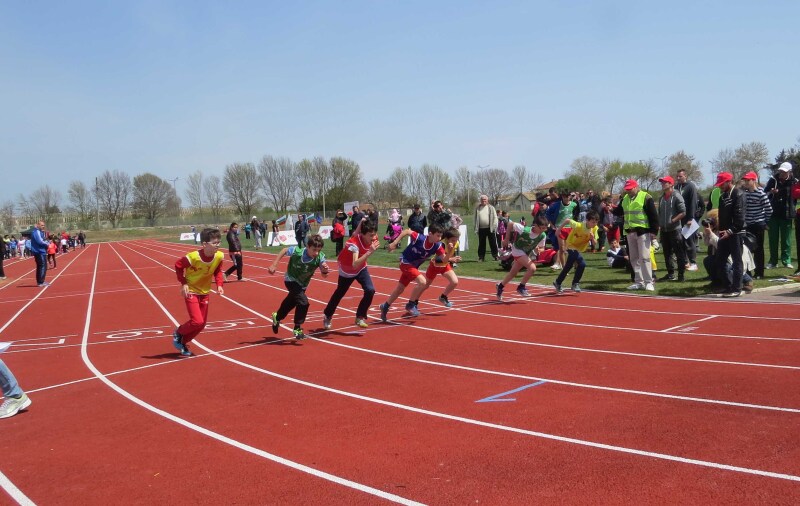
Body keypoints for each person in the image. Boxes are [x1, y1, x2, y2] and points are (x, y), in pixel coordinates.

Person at [172, 228, 225, 357]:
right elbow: (178, 265)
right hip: (191, 290)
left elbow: (218, 271)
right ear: (204, 244)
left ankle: (182, 342)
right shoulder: (192, 257)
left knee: (201, 325)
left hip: (205, 292)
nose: (217, 245)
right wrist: (184, 282)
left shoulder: (219, 256)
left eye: (219, 242)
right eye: (214, 243)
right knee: (197, 321)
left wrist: (219, 285)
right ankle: (178, 332)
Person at [268, 234, 329, 340]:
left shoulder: (320, 257)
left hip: (303, 284)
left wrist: (324, 270)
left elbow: (324, 275)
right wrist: (274, 264)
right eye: (314, 250)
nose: (316, 253)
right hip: (290, 279)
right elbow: (284, 250)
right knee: (303, 302)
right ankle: (297, 328)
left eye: (319, 250)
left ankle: (277, 317)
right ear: (307, 246)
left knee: (291, 303)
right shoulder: (298, 251)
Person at [378, 223, 445, 321]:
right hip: (405, 262)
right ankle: (410, 304)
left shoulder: (437, 246)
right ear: (430, 234)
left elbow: (444, 259)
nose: (440, 238)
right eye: (438, 235)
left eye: (441, 236)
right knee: (422, 282)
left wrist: (451, 256)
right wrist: (394, 243)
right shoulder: (420, 238)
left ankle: (385, 306)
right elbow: (406, 231)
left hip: (413, 266)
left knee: (400, 289)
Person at [322, 218, 379, 330]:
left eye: (374, 234)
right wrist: (369, 252)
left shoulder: (371, 237)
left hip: (361, 268)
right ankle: (327, 315)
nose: (373, 238)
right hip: (347, 270)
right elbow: (354, 264)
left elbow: (356, 232)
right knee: (339, 293)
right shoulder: (354, 244)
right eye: (371, 235)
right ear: (363, 234)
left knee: (370, 290)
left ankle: (360, 316)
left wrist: (362, 222)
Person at [613, 180, 659, 291]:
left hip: (643, 232)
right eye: (627, 189)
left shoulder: (645, 197)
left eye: (630, 189)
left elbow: (653, 215)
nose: (628, 191)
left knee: (645, 257)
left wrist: (654, 231)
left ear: (636, 187)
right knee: (634, 258)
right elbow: (619, 211)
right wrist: (611, 209)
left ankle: (649, 282)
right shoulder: (625, 199)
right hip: (629, 232)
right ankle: (639, 282)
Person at [496, 215, 548, 300]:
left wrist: (539, 250)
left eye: (545, 228)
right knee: (532, 268)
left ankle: (500, 286)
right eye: (541, 228)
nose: (543, 230)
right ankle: (521, 287)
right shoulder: (524, 230)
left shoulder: (542, 235)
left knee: (513, 273)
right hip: (517, 250)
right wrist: (506, 239)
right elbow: (510, 224)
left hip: (525, 253)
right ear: (535, 225)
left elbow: (542, 248)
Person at [714, 172, 747, 297]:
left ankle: (737, 288)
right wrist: (720, 228)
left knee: (737, 261)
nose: (720, 186)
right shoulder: (723, 196)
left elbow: (740, 218)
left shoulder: (738, 194)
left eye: (722, 184)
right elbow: (722, 216)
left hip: (736, 233)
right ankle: (728, 286)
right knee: (720, 260)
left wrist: (730, 231)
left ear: (729, 182)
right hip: (724, 233)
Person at [553, 210, 599, 293]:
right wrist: (558, 230)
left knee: (568, 266)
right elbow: (567, 220)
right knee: (582, 264)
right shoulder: (578, 225)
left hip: (578, 248)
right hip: (570, 245)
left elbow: (595, 243)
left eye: (596, 222)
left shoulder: (595, 229)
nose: (594, 224)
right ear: (587, 220)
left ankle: (558, 282)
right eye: (592, 222)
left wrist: (592, 238)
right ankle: (575, 283)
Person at [764, 162, 797, 270]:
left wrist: (781, 192)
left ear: (789, 172)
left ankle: (786, 260)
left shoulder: (794, 182)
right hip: (773, 214)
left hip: (786, 214)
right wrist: (771, 192)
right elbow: (765, 193)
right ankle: (773, 261)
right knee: (773, 239)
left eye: (784, 172)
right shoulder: (773, 180)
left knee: (786, 240)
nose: (781, 173)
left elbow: (794, 196)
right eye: (780, 171)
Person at [741, 171, 772, 279]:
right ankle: (747, 272)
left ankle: (759, 272)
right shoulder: (744, 193)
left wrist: (765, 222)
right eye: (745, 180)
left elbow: (769, 209)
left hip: (758, 224)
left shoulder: (760, 193)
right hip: (747, 224)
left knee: (758, 249)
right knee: (747, 249)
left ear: (754, 180)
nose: (746, 182)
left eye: (748, 180)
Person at [656, 176, 687, 282]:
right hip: (664, 230)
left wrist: (673, 220)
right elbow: (660, 213)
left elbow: (683, 212)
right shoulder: (661, 198)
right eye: (662, 183)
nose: (662, 184)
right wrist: (660, 224)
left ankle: (681, 275)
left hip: (675, 230)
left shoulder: (677, 196)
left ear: (671, 184)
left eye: (665, 182)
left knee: (679, 253)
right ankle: (670, 274)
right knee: (667, 253)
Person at [423, 227, 462, 308]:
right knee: (425, 285)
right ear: (447, 239)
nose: (455, 242)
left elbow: (452, 254)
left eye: (456, 240)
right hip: (434, 266)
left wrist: (455, 258)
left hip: (445, 266)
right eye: (453, 240)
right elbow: (438, 260)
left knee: (454, 281)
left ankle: (443, 297)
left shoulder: (456, 243)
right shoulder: (441, 244)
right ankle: (413, 301)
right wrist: (451, 259)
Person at [545, 190, 579, 270]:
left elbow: (576, 213)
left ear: (570, 196)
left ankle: (576, 263)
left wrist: (576, 222)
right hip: (560, 228)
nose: (566, 198)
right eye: (564, 197)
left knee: (572, 247)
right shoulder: (556, 205)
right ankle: (564, 268)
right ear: (562, 197)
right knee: (562, 249)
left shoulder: (574, 204)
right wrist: (551, 224)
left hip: (570, 228)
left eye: (567, 196)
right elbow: (548, 213)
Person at [675, 169, 701, 271]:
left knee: (689, 241)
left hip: (688, 218)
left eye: (680, 176)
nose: (678, 178)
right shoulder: (676, 187)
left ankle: (693, 263)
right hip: (679, 219)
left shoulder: (691, 186)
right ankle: (685, 262)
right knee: (680, 241)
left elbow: (693, 203)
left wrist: (691, 218)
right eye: (677, 176)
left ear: (685, 176)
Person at [31, 220, 50, 287]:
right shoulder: (36, 232)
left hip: (40, 251)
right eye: (42, 225)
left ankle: (40, 281)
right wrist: (47, 244)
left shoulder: (39, 232)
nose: (43, 226)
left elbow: (43, 239)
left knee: (41, 266)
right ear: (38, 225)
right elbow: (40, 241)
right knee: (42, 266)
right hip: (39, 251)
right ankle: (40, 282)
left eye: (44, 225)